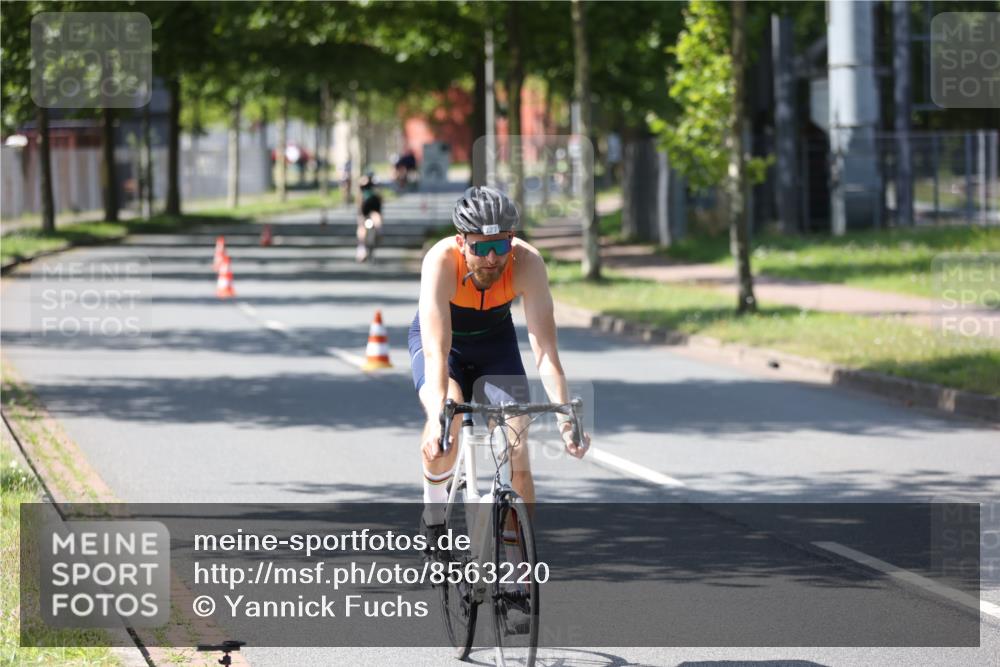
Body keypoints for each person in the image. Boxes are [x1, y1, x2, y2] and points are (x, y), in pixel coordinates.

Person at [409, 186, 591, 533]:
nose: (492, 258)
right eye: (481, 248)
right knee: (449, 421)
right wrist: (436, 419)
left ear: (512, 239)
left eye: (501, 246)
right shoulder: (440, 260)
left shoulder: (528, 263)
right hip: (443, 347)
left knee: (517, 444)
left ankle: (517, 567)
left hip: (495, 345)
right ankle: (433, 516)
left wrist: (566, 423)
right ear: (462, 242)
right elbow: (437, 351)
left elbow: (546, 351)